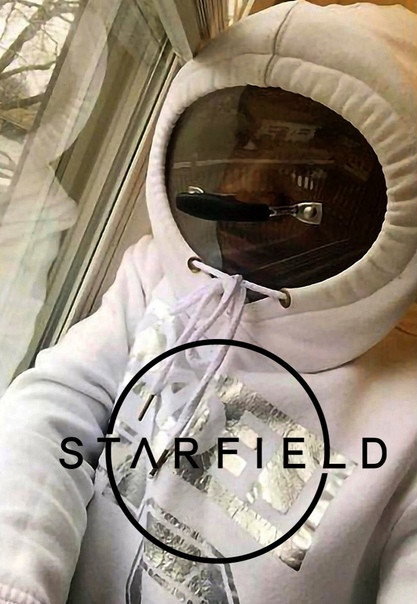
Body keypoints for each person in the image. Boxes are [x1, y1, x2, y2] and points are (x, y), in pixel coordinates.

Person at [0, 1, 416, 603]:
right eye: (246, 142)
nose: (244, 186)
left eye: (307, 165)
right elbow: (56, 406)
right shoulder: (158, 278)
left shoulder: (405, 419)